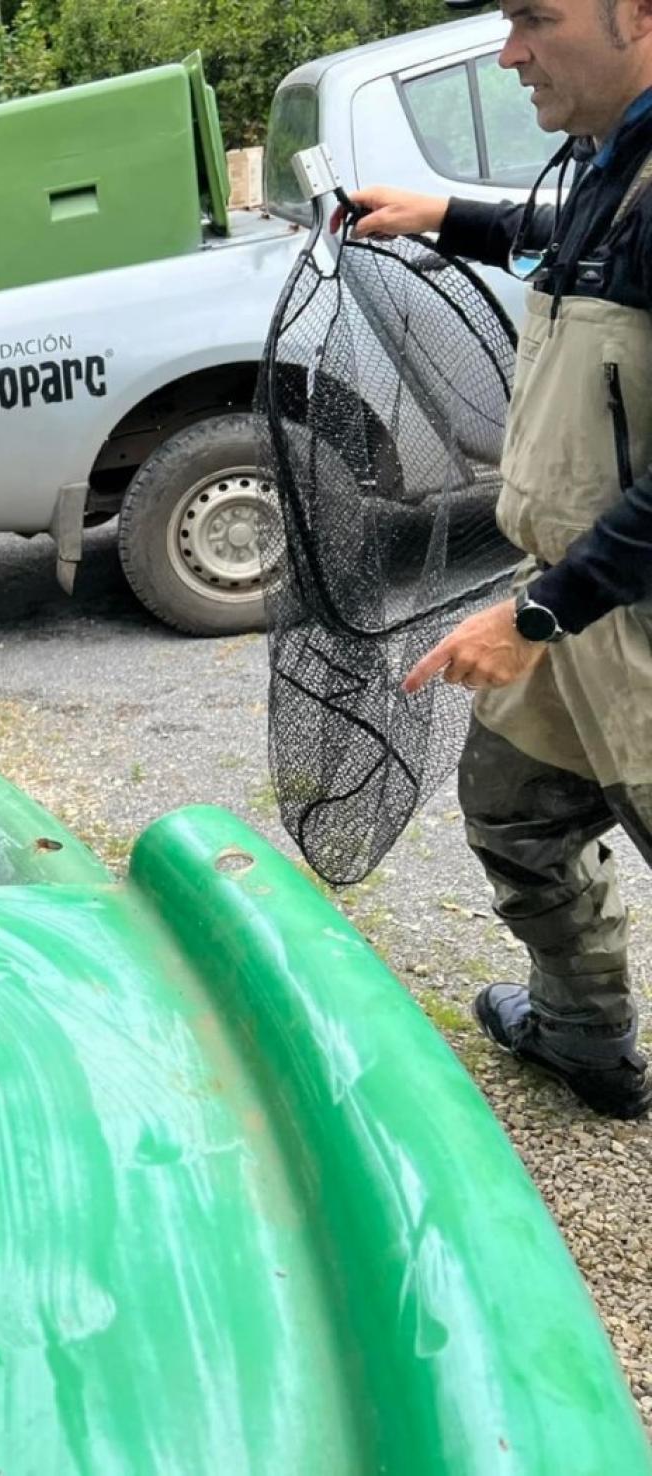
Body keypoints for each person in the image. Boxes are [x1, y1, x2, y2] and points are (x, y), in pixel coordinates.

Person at [350, 0, 652, 1117]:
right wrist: (443, 214)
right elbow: (586, 240)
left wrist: (534, 617)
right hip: (581, 609)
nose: (509, 51)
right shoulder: (617, 161)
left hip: (620, 613)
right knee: (515, 810)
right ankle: (584, 1039)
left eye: (536, 17)